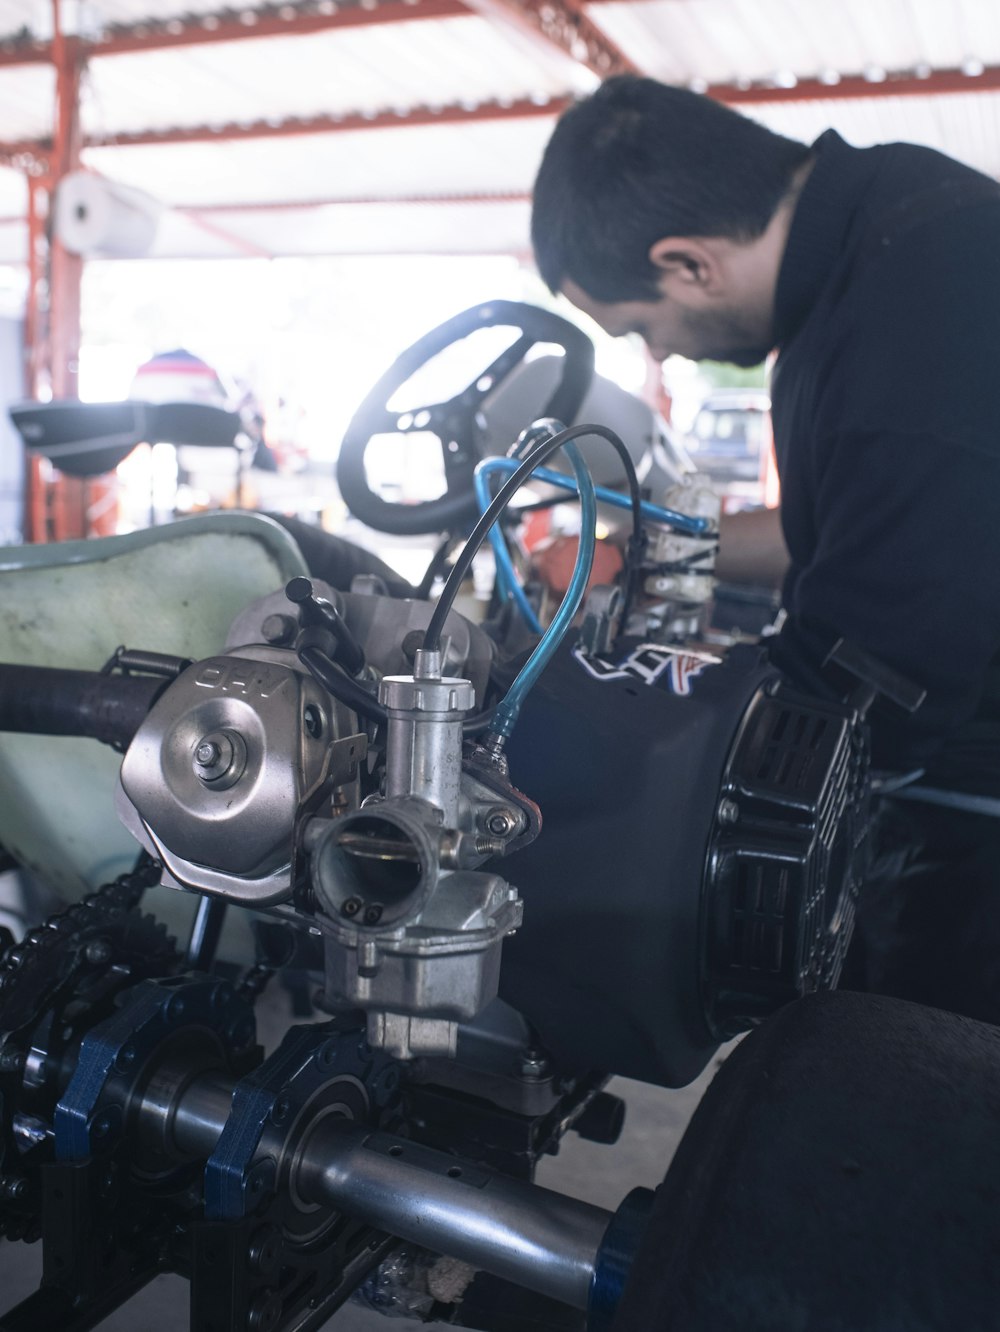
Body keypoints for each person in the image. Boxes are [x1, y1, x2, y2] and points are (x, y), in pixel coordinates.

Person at [531, 75, 1000, 1021]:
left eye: (640, 328)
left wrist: (628, 733)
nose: (658, 357)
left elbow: (878, 669)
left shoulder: (920, 306)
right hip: (957, 764)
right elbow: (844, 530)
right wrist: (655, 547)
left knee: (905, 1088)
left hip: (975, 823)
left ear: (688, 263)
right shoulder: (880, 230)